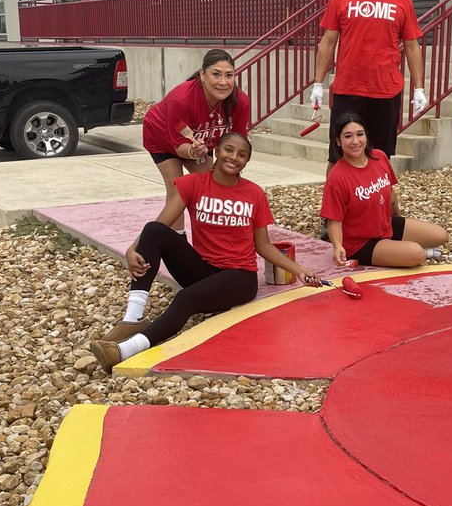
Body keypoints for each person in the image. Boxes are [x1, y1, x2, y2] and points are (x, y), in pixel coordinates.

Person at [89, 131, 323, 373]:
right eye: (229, 150)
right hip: (203, 269)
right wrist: (132, 248)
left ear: (247, 161)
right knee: (153, 230)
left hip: (239, 277)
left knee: (185, 299)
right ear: (216, 152)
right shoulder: (194, 184)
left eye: (242, 154)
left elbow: (263, 245)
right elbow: (161, 223)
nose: (234, 157)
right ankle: (132, 318)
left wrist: (300, 270)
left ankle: (123, 351)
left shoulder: (254, 194)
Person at [310, 0, 426, 163]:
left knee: (380, 157)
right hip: (348, 90)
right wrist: (318, 83)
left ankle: (379, 189)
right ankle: (335, 189)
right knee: (338, 158)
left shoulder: (402, 1)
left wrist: (419, 88)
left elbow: (412, 47)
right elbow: (328, 42)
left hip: (385, 92)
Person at [320, 113, 447, 268]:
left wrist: (398, 218)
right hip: (360, 242)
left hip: (384, 224)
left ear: (366, 136)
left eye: (359, 134)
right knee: (416, 254)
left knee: (440, 235)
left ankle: (396, 250)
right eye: (348, 136)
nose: (355, 141)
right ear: (338, 141)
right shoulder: (337, 177)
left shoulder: (379, 157)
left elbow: (390, 193)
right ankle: (410, 252)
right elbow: (334, 221)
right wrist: (338, 246)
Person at [142, 48, 251, 212]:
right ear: (202, 75)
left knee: (211, 186)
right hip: (161, 137)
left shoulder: (240, 101)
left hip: (199, 144)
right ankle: (168, 229)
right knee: (177, 189)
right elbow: (180, 146)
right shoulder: (182, 99)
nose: (223, 82)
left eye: (229, 75)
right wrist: (194, 151)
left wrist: (225, 167)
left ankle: (207, 227)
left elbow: (238, 141)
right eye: (216, 74)